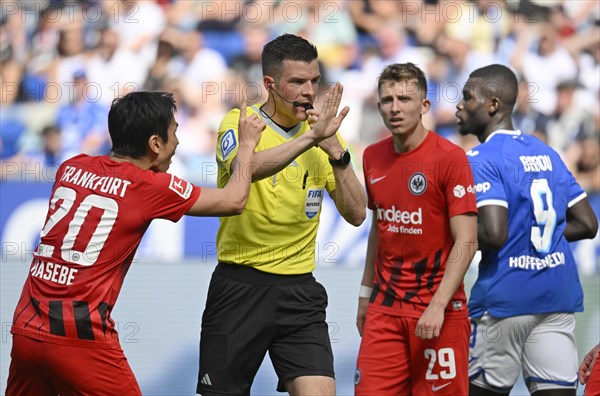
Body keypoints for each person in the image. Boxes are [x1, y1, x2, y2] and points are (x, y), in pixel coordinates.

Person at [5, 91, 265, 395]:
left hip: (26, 327)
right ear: (155, 144)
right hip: (79, 334)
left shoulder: (70, 168)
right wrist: (247, 145)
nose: (178, 142)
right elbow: (234, 200)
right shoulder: (149, 186)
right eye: (174, 133)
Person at [196, 33, 367, 396]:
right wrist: (311, 139)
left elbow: (356, 214)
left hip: (300, 291)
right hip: (240, 285)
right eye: (297, 82)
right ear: (271, 84)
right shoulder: (241, 123)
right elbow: (250, 168)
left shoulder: (326, 138)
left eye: (314, 81)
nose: (308, 91)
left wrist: (336, 151)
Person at [456, 64, 599, 396]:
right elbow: (588, 224)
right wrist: (532, 238)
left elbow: (493, 234)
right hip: (557, 295)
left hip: (507, 299)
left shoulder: (480, 158)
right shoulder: (546, 152)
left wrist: (447, 236)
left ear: (492, 105)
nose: (458, 105)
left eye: (467, 96)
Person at [355, 62, 478, 396]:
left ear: (424, 106)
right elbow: (379, 228)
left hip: (440, 310)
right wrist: (366, 293)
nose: (395, 108)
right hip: (385, 308)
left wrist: (437, 306)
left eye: (405, 99)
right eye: (387, 100)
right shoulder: (371, 157)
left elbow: (467, 241)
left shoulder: (450, 158)